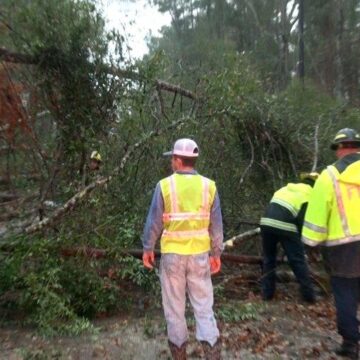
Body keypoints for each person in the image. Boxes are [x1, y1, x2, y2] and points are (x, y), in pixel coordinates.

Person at [142, 138, 223, 360]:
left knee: (174, 311)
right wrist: (216, 253)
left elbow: (154, 221)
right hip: (199, 256)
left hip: (172, 258)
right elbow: (216, 225)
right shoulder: (209, 186)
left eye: (172, 159)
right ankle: (212, 355)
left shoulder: (165, 186)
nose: (171, 162)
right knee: (204, 309)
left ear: (178, 160)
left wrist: (148, 247)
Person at [302, 128, 360, 359]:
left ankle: (350, 343)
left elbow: (316, 214)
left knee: (345, 293)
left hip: (342, 248)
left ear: (339, 149)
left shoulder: (330, 175)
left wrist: (311, 243)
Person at [259, 172, 318, 303]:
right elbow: (303, 220)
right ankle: (309, 296)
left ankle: (267, 294)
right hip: (286, 225)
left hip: (266, 222)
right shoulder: (310, 194)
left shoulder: (285, 189)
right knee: (297, 261)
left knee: (269, 259)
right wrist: (306, 242)